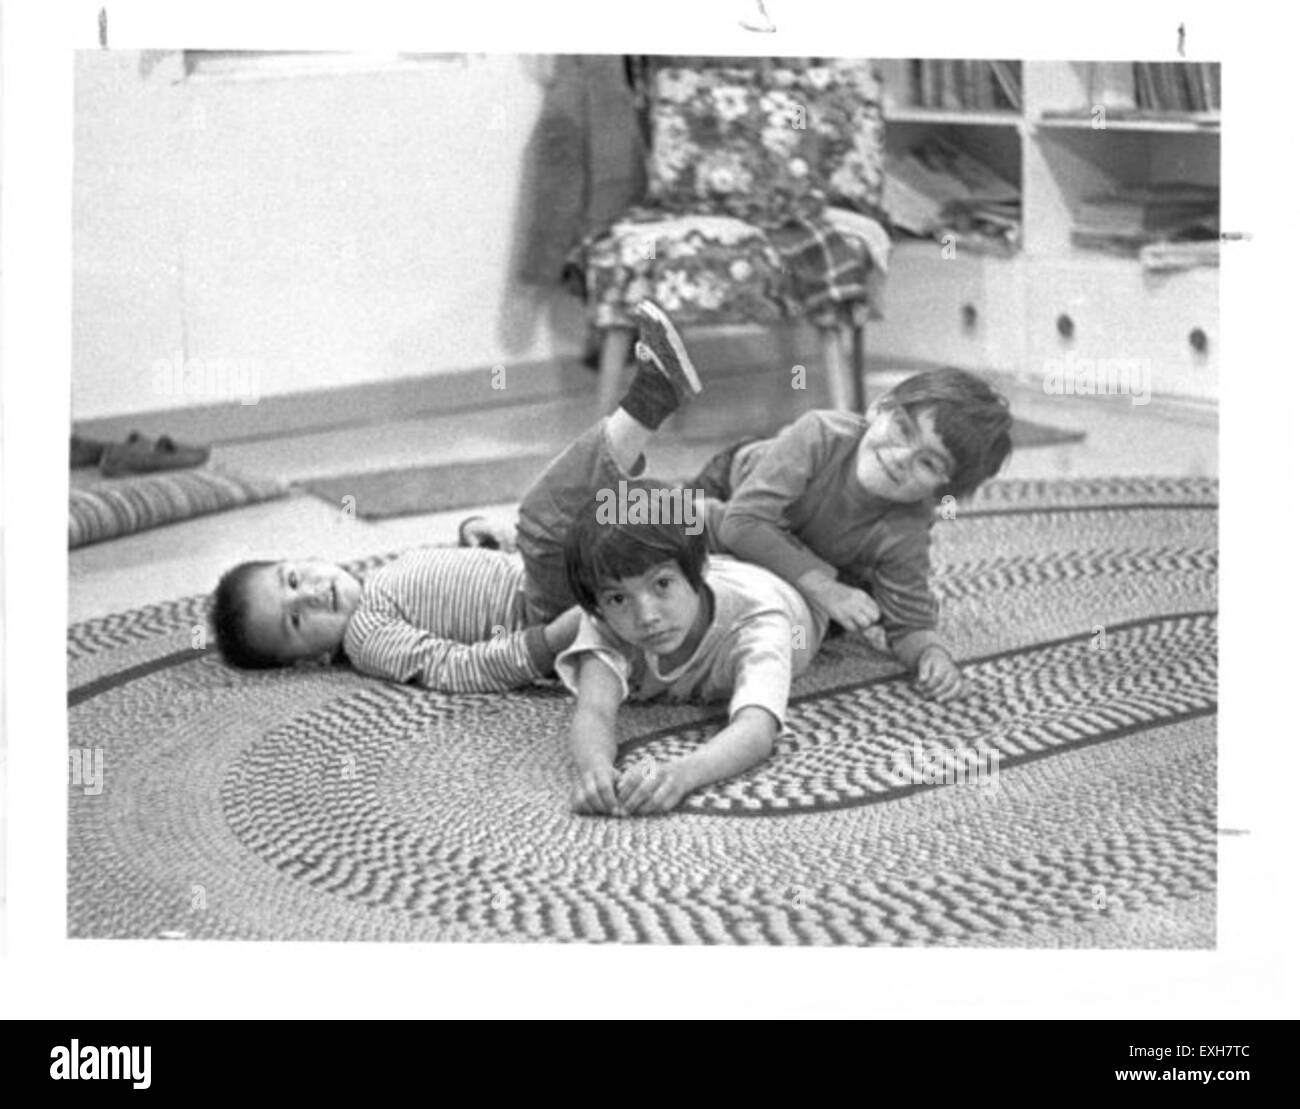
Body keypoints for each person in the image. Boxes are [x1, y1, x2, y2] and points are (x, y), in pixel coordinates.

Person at [691, 367, 1014, 703]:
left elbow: (908, 624)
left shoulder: (907, 529)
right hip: (734, 490)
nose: (901, 457)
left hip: (808, 547)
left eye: (929, 464)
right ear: (879, 407)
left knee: (851, 607)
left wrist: (931, 655)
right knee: (665, 536)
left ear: (938, 494)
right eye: (903, 429)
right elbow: (740, 523)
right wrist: (824, 588)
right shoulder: (820, 432)